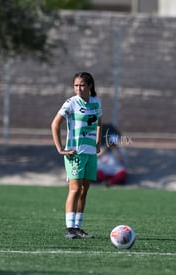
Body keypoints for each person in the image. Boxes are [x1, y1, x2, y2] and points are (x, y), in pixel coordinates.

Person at [51, 72, 102, 239]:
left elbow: (99, 122)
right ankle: (69, 228)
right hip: (75, 153)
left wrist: (97, 142)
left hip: (90, 154)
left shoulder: (96, 102)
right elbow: (55, 124)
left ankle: (78, 228)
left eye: (81, 85)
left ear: (90, 86)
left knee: (84, 191)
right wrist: (60, 148)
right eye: (75, 85)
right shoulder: (71, 103)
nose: (78, 88)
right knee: (74, 189)